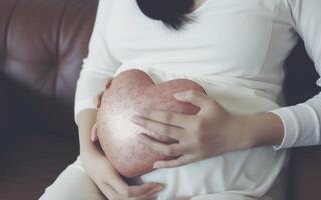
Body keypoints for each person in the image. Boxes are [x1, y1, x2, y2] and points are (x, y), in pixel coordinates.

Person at [39, 0, 321, 199]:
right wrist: (89, 155)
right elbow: (97, 69)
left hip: (229, 189)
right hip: (106, 181)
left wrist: (240, 133)